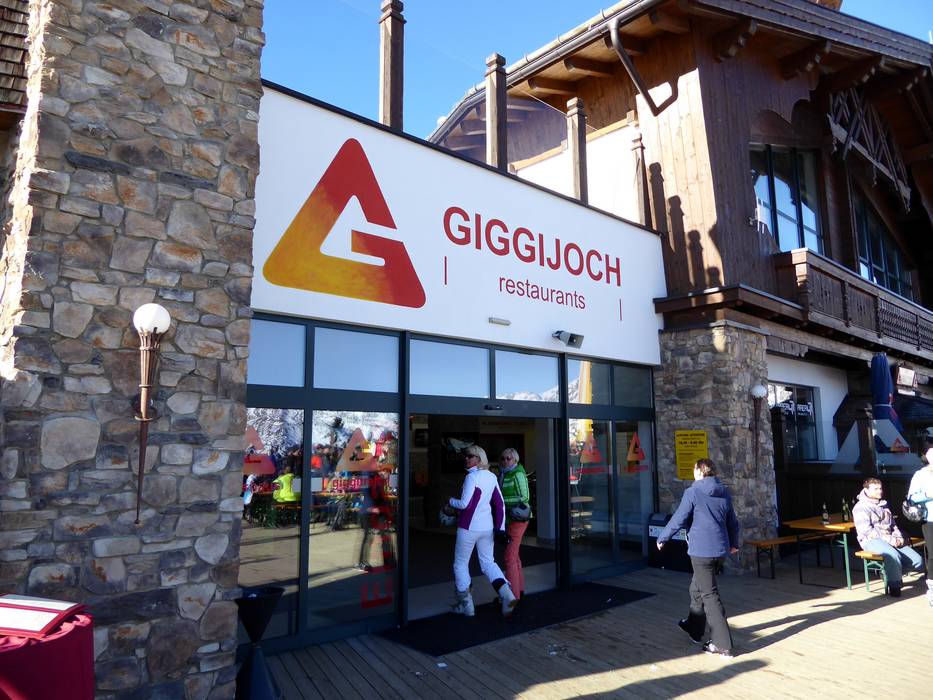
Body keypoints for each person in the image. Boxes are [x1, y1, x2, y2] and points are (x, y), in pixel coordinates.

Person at [657, 458, 739, 658]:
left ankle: (722, 644)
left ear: (700, 472)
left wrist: (663, 537)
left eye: (694, 470)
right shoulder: (724, 491)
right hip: (719, 550)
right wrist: (734, 543)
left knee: (709, 594)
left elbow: (679, 517)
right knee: (697, 589)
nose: (693, 474)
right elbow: (732, 521)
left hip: (701, 551)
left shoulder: (693, 492)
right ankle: (694, 628)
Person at [447, 444, 517, 618]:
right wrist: (500, 529)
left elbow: (465, 504)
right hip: (487, 528)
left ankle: (467, 606)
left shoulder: (471, 477)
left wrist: (451, 501)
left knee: (460, 564)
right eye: (466, 455)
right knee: (488, 563)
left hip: (468, 527)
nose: (466, 458)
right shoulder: (491, 476)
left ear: (479, 459)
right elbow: (499, 504)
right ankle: (507, 595)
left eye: (470, 456)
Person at [853, 477, 923, 597]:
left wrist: (898, 537)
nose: (879, 491)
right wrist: (890, 540)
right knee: (893, 556)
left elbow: (893, 525)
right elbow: (867, 531)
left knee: (917, 560)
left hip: (891, 538)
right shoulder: (860, 508)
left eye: (880, 488)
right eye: (876, 489)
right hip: (871, 540)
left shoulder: (883, 505)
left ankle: (889, 573)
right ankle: (894, 586)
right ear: (867, 490)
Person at [499, 447, 532, 600]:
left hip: (518, 519)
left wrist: (502, 502)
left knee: (509, 557)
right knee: (515, 556)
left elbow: (524, 497)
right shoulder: (504, 474)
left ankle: (512, 596)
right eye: (503, 458)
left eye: (509, 458)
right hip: (510, 519)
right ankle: (520, 590)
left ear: (515, 460)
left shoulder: (518, 473)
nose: (505, 461)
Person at [908, 435, 933, 607]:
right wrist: (927, 495)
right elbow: (911, 497)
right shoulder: (920, 475)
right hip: (930, 520)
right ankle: (932, 589)